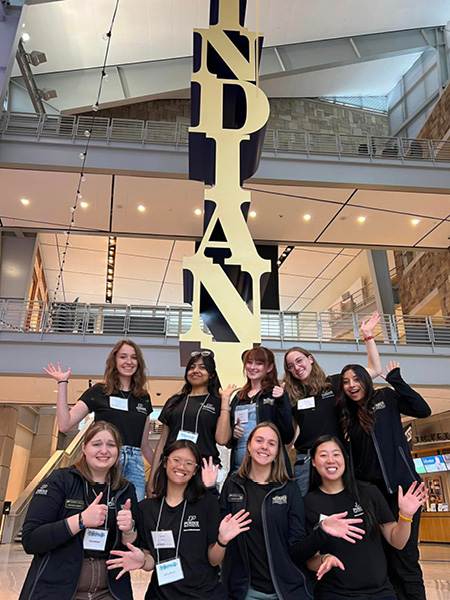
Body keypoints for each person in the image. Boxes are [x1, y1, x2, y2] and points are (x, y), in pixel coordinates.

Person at [221, 422, 368, 600]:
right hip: (245, 591)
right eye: (259, 441)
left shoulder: (289, 489)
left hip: (287, 591)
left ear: (277, 453)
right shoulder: (232, 485)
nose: (264, 447)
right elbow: (220, 537)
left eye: (272, 443)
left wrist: (321, 532)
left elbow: (297, 550)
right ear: (249, 446)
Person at [106, 440, 250, 600]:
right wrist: (142, 561)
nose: (181, 467)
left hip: (204, 595)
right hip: (161, 596)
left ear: (195, 470)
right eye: (176, 460)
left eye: (189, 463)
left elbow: (214, 560)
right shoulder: (146, 509)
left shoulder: (207, 503)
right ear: (165, 462)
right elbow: (150, 561)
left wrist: (222, 541)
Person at [335, 361, 431, 600]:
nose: (351, 385)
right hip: (371, 496)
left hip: (403, 492)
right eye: (346, 382)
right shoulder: (348, 416)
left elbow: (423, 410)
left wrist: (396, 379)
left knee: (406, 558)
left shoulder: (386, 398)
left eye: (356, 379)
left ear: (366, 381)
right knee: (384, 558)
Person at [19, 421, 138, 600]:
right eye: (96, 444)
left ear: (118, 450)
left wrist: (129, 529)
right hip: (59, 589)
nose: (104, 451)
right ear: (84, 448)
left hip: (110, 590)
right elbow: (31, 540)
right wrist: (80, 520)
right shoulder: (60, 481)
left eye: (111, 445)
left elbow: (131, 548)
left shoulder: (125, 489)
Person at [305, 435, 427, 600]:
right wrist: (324, 559)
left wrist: (405, 516)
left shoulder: (369, 492)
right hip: (334, 594)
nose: (330, 460)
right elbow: (309, 558)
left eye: (336, 454)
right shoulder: (308, 503)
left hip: (381, 593)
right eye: (323, 455)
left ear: (345, 458)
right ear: (313, 461)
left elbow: (397, 541)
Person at [283, 312, 382, 495]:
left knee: (340, 506)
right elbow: (289, 436)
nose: (296, 367)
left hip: (335, 457)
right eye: (290, 366)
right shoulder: (292, 396)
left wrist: (367, 335)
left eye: (299, 361)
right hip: (305, 461)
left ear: (310, 359)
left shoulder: (335, 383)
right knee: (304, 512)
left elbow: (375, 369)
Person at [44, 339, 153, 501]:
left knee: (131, 517)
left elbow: (144, 444)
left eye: (133, 357)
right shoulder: (99, 391)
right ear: (114, 360)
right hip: (104, 459)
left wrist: (160, 471)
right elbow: (65, 424)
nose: (129, 362)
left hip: (134, 464)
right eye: (123, 357)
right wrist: (62, 383)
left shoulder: (143, 397)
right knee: (99, 512)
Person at [148, 350, 235, 494]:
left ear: (212, 374)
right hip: (172, 468)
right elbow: (162, 440)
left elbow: (222, 439)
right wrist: (152, 478)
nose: (196, 371)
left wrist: (225, 403)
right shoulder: (174, 401)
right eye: (192, 367)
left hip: (203, 470)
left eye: (202, 367)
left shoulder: (217, 402)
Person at [229, 346, 294, 473]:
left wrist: (281, 401)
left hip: (270, 470)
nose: (252, 367)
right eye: (249, 362)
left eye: (259, 364)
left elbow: (287, 436)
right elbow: (228, 441)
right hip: (240, 469)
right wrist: (233, 432)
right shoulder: (238, 397)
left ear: (269, 368)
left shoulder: (276, 395)